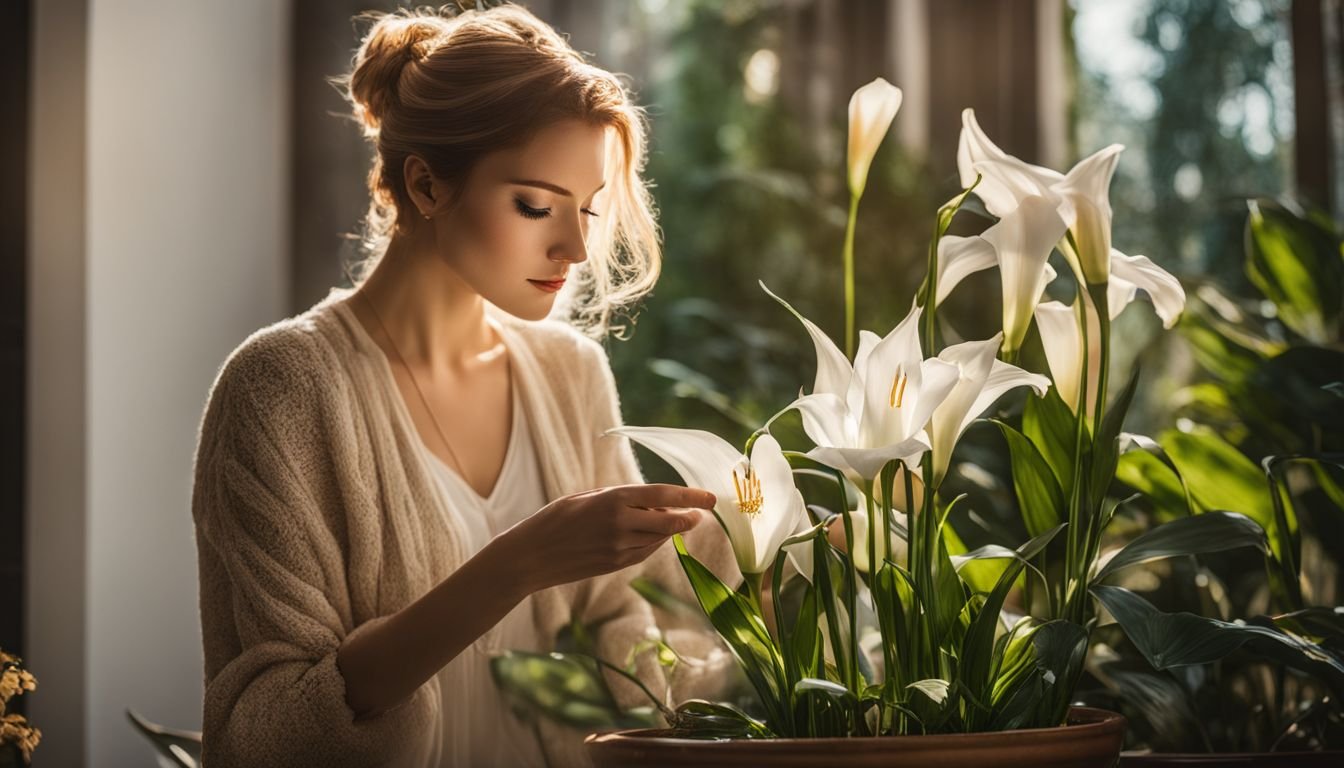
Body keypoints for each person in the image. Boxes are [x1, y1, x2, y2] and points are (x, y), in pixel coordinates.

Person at [190, 4, 738, 766]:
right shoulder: (280, 388)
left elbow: (625, 622)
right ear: (425, 185)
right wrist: (517, 566)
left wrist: (775, 550)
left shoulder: (567, 373)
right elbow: (268, 728)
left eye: (585, 210)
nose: (576, 246)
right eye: (536, 206)